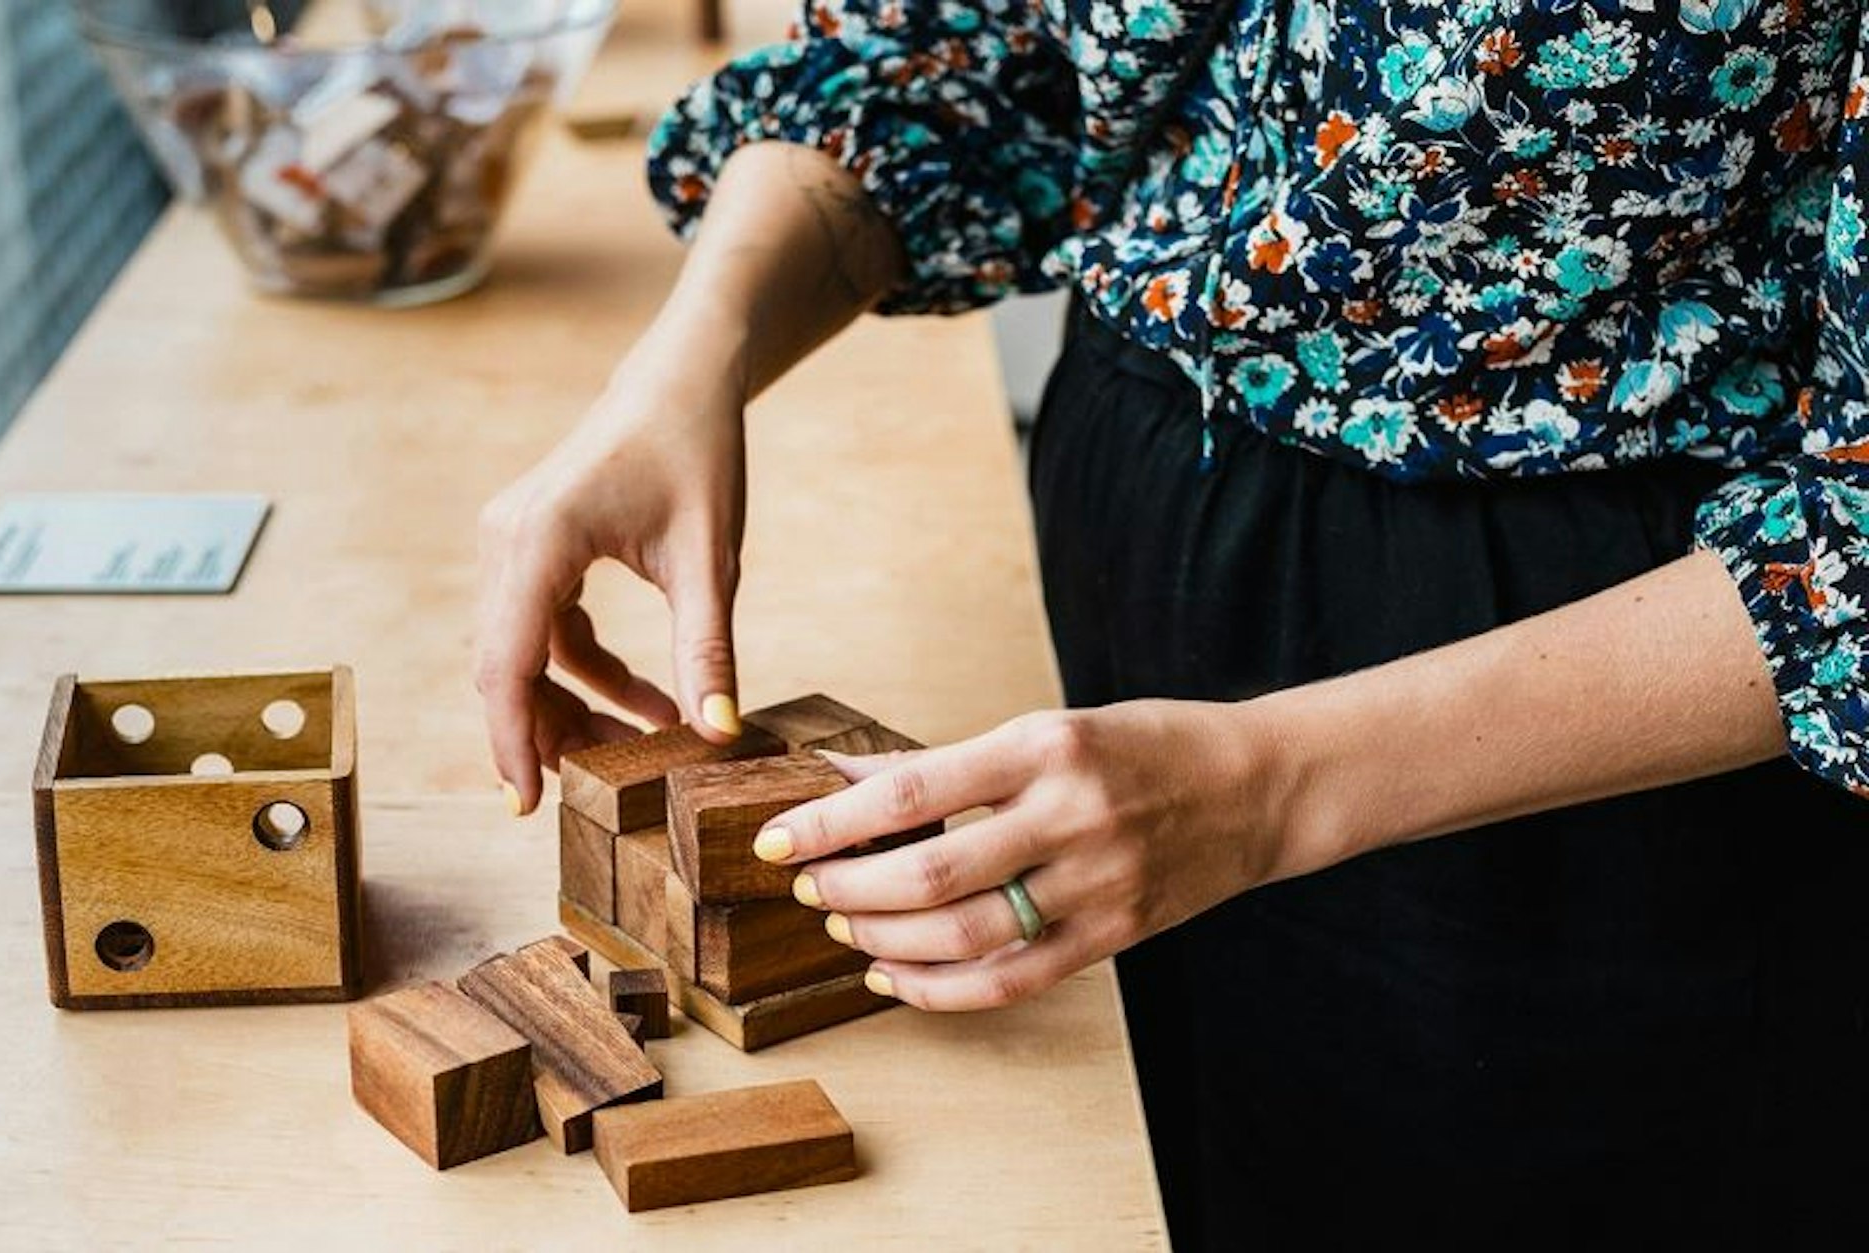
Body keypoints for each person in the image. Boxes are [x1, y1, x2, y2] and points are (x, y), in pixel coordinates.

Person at [475, 0, 1869, 1244]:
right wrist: (691, 353)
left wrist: (1260, 791)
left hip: (1611, 721)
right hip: (1138, 548)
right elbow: (975, 53)